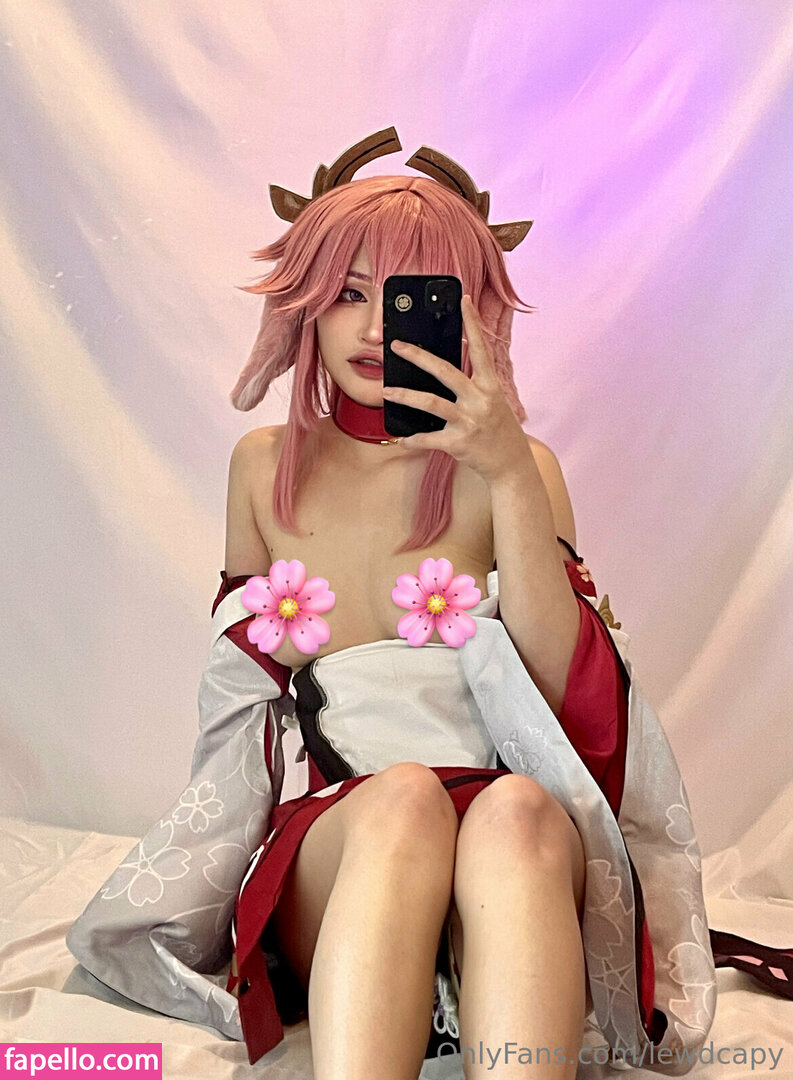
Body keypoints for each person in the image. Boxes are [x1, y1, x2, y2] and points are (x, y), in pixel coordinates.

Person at [75, 129, 779, 1078]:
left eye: (409, 296)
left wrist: (505, 471)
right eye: (347, 292)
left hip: (506, 855)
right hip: (345, 844)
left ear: (468, 313)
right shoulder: (262, 469)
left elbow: (570, 698)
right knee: (402, 798)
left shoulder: (521, 470)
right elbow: (237, 718)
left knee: (518, 807)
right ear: (305, 304)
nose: (374, 328)